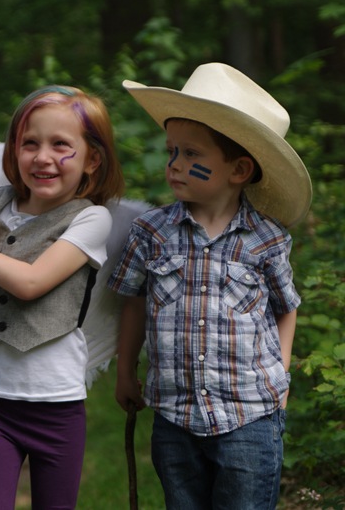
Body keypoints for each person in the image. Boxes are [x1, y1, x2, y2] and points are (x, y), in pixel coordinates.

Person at [108, 63, 312, 509]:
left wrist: (282, 379)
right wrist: (125, 371)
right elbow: (134, 303)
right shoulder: (151, 233)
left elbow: (286, 307)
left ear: (239, 169)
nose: (175, 165)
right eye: (172, 151)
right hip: (174, 417)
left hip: (249, 417)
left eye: (191, 154)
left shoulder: (266, 240)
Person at [0, 85, 125, 509]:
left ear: (92, 159)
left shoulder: (91, 219)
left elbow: (31, 283)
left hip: (56, 405)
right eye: (29, 143)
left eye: (60, 145)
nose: (42, 157)